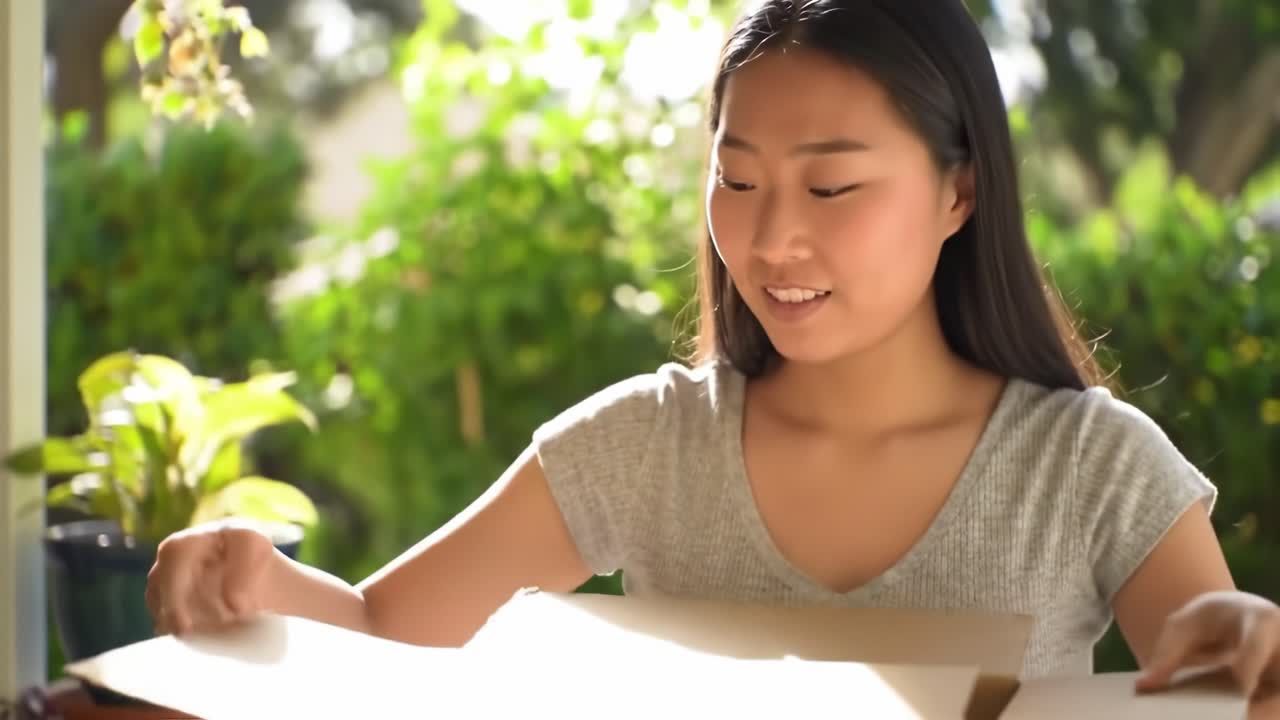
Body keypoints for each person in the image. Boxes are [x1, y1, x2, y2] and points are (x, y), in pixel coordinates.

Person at [145, 0, 1279, 704]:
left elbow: (1220, 678)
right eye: (735, 181)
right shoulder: (646, 443)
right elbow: (386, 639)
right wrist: (261, 583)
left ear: (958, 189)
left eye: (830, 184)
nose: (770, 236)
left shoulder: (1086, 466)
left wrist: (1250, 652)